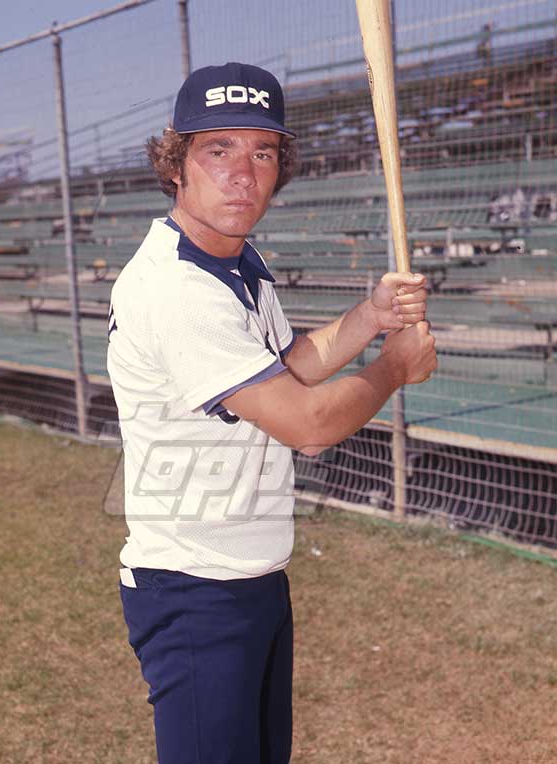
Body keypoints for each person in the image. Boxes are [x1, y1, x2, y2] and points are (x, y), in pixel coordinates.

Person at [106, 61, 437, 764]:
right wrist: (392, 368)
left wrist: (370, 317)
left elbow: (286, 367)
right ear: (175, 165)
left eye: (262, 153)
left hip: (251, 574)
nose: (242, 173)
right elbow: (307, 424)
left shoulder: (235, 263)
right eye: (217, 149)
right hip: (194, 588)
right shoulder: (176, 287)